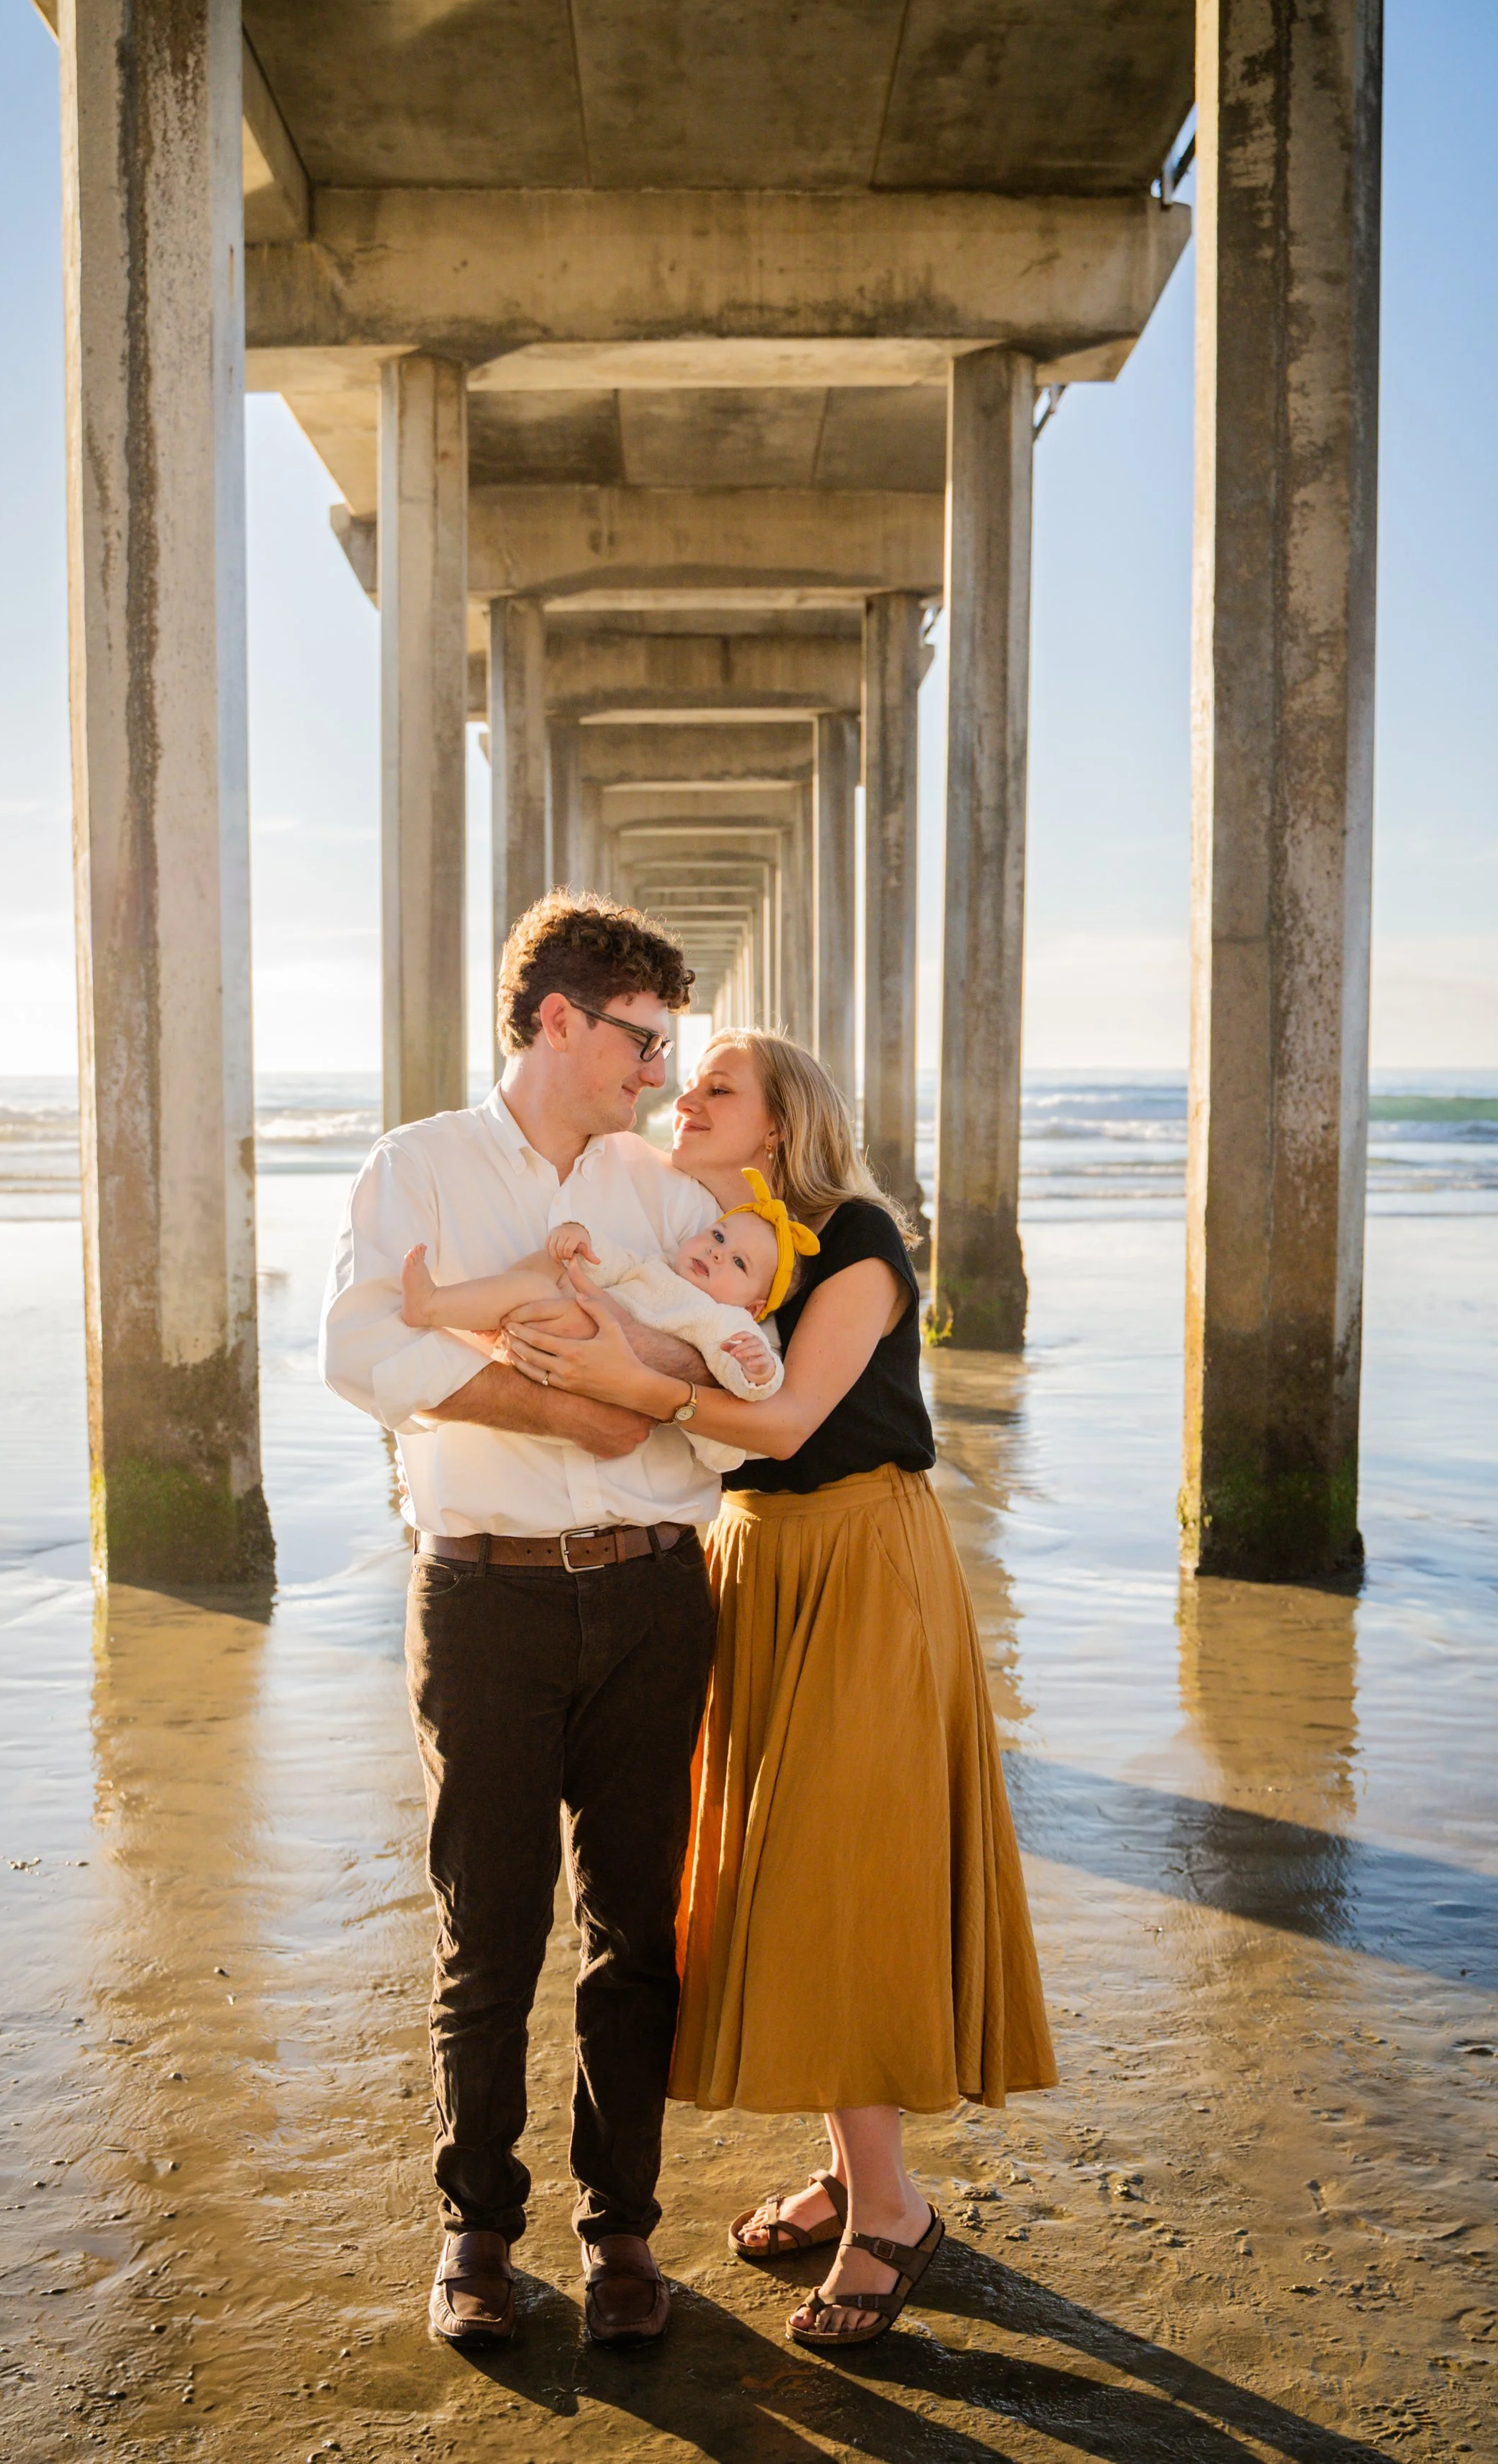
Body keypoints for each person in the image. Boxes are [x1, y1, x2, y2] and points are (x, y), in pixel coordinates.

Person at [501, 1028, 1058, 2355]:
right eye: (680, 1082)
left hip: (861, 1559)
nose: (684, 1099)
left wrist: (623, 1385)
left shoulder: (856, 1237)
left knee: (839, 1862)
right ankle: (853, 2169)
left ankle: (893, 2209)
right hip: (753, 1564)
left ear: (782, 1120)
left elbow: (792, 1421)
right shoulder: (713, 1233)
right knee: (782, 1867)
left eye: (715, 1089)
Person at [320, 893, 737, 2353]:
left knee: (637, 1932)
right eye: (638, 1040)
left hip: (649, 1593)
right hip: (483, 1594)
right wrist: (561, 1398)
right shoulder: (417, 1167)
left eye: (667, 1047)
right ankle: (474, 2235)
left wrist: (626, 1359)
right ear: (554, 1018)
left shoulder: (660, 1193)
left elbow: (729, 1368)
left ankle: (622, 2231)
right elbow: (362, 1348)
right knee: (486, 1932)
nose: (657, 1074)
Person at [397, 1162, 814, 1401]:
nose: (717, 1252)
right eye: (718, 1236)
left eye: (739, 1263)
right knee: (550, 1264)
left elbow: (751, 1383)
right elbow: (604, 1262)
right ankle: (492, 1317)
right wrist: (580, 1237)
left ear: (754, 1309)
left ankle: (430, 1305)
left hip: (598, 1366)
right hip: (570, 1330)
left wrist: (758, 1370)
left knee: (537, 1291)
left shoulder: (726, 1322)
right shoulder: (656, 1266)